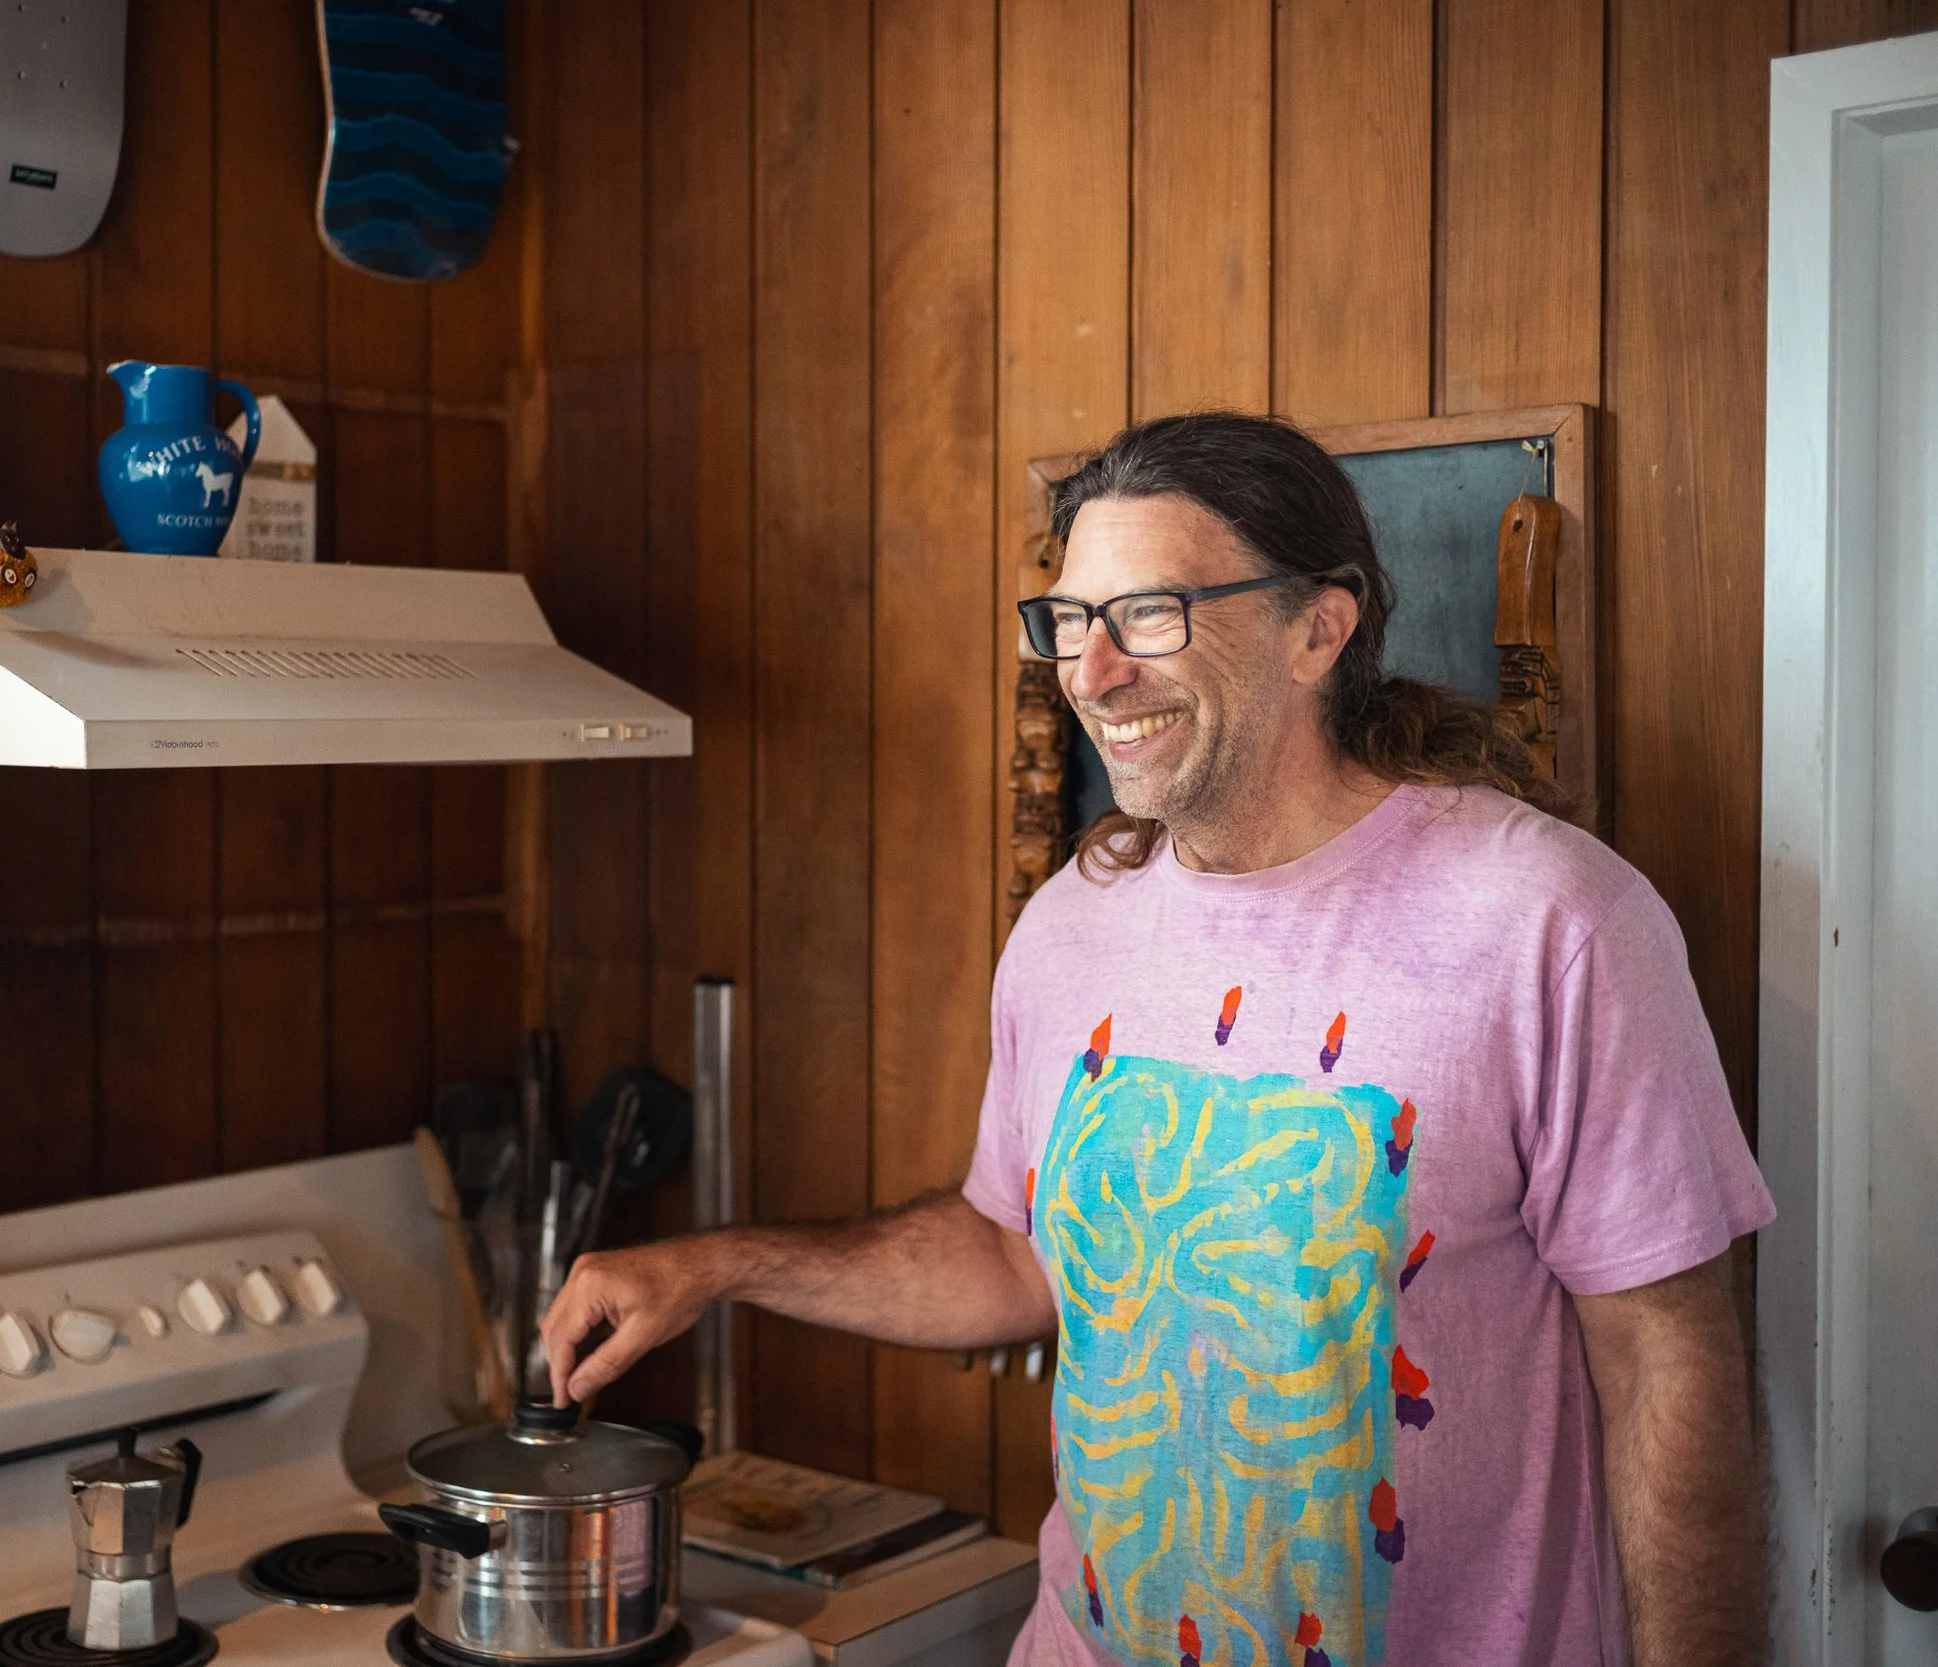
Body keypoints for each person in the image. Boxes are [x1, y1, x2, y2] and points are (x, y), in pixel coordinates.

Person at [540, 413, 1773, 1667]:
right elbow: (1017, 1257)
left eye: (1150, 613)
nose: (1092, 669)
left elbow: (1668, 1362)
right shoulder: (1077, 919)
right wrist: (712, 1264)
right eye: (1069, 619)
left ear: (1318, 628)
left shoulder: (1550, 920)